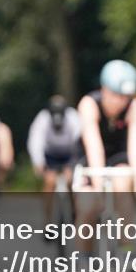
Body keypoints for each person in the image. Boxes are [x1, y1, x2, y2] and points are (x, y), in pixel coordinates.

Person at [75, 60, 136, 255]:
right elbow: (94, 147)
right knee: (89, 205)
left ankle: (126, 246)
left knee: (123, 184)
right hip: (87, 158)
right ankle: (83, 259)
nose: (121, 102)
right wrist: (98, 185)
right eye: (116, 95)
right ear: (104, 89)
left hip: (118, 156)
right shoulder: (89, 103)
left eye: (126, 96)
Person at [27, 95, 82, 231]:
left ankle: (76, 211)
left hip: (70, 154)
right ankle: (48, 221)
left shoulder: (73, 117)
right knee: (49, 183)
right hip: (50, 155)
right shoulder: (43, 118)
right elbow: (35, 140)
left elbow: (80, 139)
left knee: (72, 182)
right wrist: (38, 162)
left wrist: (76, 165)